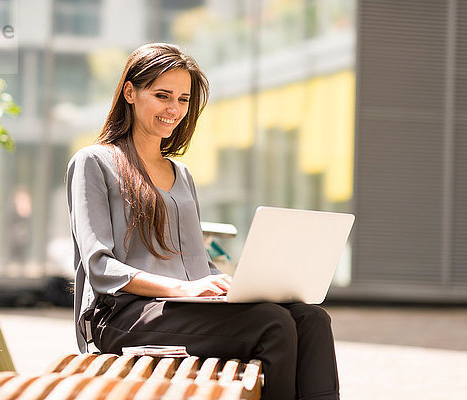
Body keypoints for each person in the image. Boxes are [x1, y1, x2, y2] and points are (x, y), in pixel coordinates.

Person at [66, 43, 339, 400]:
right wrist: (182, 289)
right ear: (130, 92)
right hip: (122, 317)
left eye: (182, 99)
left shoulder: (181, 174)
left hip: (182, 309)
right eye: (162, 95)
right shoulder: (94, 162)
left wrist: (227, 285)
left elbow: (197, 262)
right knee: (273, 325)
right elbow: (100, 268)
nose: (173, 109)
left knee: (311, 319)